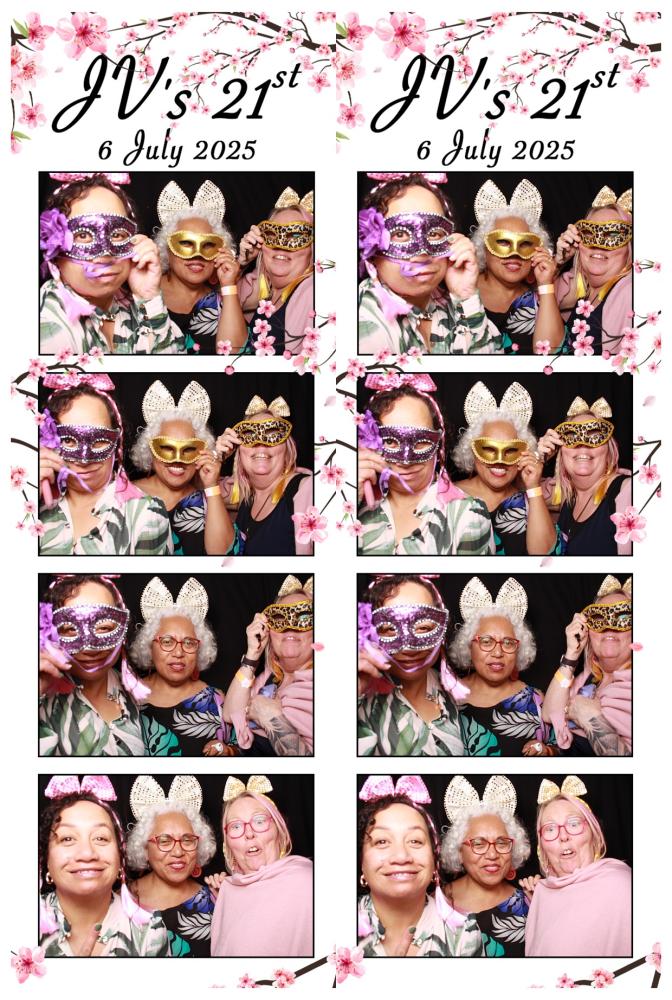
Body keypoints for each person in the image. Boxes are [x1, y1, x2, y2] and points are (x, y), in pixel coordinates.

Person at [39, 172, 182, 354]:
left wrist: (149, 297)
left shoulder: (129, 300)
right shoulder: (47, 327)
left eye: (117, 234)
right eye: (83, 235)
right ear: (53, 245)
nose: (106, 253)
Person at [358, 172, 500, 354]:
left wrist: (466, 296)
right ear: (370, 244)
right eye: (400, 234)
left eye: (434, 233)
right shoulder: (363, 326)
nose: (423, 252)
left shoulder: (449, 301)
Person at [357, 373, 494, 555]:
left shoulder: (469, 516)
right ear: (369, 442)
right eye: (390, 441)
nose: (406, 461)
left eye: (421, 441)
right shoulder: (355, 505)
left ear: (439, 444)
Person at [38, 373, 173, 555]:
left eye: (99, 441)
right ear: (48, 441)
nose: (84, 460)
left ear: (117, 443)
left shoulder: (147, 514)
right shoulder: (34, 504)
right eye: (68, 440)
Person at [39, 775, 169, 957]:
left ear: (120, 856)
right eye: (67, 838)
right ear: (46, 858)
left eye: (100, 838)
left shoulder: (150, 930)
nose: (87, 853)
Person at [357, 775, 484, 957]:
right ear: (362, 861)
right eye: (382, 841)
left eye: (415, 841)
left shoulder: (464, 932)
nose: (401, 856)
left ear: (434, 859)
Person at [357, 575, 466, 756]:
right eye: (389, 629)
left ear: (442, 629)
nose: (408, 647)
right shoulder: (359, 697)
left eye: (423, 627)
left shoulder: (451, 690)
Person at [39, 574, 146, 756]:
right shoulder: (42, 696)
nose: (89, 647)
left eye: (104, 628)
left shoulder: (132, 689)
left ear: (123, 629)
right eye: (70, 629)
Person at [524, 776, 632, 957]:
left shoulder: (621, 885)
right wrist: (533, 901)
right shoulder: (539, 896)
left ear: (594, 834)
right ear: (542, 847)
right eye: (550, 829)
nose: (563, 836)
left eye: (573, 824)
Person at [130, 576, 236, 757]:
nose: (179, 652)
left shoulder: (216, 700)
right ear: (149, 646)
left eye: (188, 643)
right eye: (167, 641)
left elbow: (238, 748)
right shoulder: (126, 697)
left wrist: (227, 750)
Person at [449, 577, 556, 756]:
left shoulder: (536, 701)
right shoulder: (445, 697)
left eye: (508, 642)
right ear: (468, 646)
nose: (498, 652)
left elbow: (560, 748)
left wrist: (547, 751)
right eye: (486, 641)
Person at [452, 380, 560, 556]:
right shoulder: (446, 497)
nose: (499, 461)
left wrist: (533, 487)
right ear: (472, 451)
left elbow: (546, 557)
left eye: (510, 450)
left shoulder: (529, 501)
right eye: (488, 449)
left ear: (524, 453)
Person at [208, 776, 313, 957]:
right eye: (236, 826)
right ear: (228, 845)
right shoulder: (226, 893)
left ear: (279, 830)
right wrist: (221, 897)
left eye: (259, 821)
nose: (249, 833)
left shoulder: (306, 883)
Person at [131, 379, 234, 555]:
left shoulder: (207, 501)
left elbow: (224, 557)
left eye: (189, 449)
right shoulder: (124, 495)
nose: (177, 460)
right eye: (166, 448)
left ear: (202, 452)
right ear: (150, 450)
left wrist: (211, 486)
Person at [471, 179, 565, 354]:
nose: (514, 253)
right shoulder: (460, 291)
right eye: (503, 242)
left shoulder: (540, 300)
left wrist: (545, 284)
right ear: (483, 247)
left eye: (525, 243)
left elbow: (551, 355)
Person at [222, 575, 314, 756]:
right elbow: (230, 713)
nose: (290, 626)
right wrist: (252, 655)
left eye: (304, 617)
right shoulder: (268, 679)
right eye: (279, 618)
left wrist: (268, 715)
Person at [127, 775, 217, 957]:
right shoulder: (120, 901)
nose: (178, 852)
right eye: (164, 841)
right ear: (145, 848)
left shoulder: (215, 902)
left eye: (187, 840)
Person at [153, 179, 247, 354]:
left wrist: (228, 286)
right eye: (185, 243)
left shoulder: (223, 302)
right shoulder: (144, 293)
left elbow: (235, 356)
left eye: (208, 245)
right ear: (166, 248)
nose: (197, 254)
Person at [441, 776, 531, 957]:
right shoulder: (434, 903)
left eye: (501, 843)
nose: (492, 855)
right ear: (459, 851)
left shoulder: (530, 904)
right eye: (479, 844)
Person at [542, 576, 632, 756]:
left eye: (623, 617)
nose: (609, 626)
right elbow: (549, 713)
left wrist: (588, 716)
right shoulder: (586, 680)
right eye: (599, 618)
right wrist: (572, 654)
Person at [216, 394, 313, 555]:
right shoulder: (244, 493)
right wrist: (218, 458)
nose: (261, 443)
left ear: (287, 448)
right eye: (249, 435)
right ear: (239, 449)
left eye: (272, 435)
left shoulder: (306, 489)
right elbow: (200, 490)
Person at [538, 396, 632, 555]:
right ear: (561, 450)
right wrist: (540, 459)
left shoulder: (627, 492)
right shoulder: (566, 494)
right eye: (572, 436)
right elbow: (521, 489)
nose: (582, 444)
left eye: (595, 436)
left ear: (608, 449)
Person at [554, 186, 632, 355]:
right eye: (589, 233)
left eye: (613, 236)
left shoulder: (630, 292)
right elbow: (535, 307)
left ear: (629, 248)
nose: (598, 244)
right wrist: (559, 262)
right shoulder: (579, 288)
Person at [237, 187, 314, 354]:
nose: (281, 245)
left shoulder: (312, 292)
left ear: (312, 249)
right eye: (272, 235)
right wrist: (242, 263)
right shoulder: (264, 290)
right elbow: (220, 307)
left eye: (296, 236)